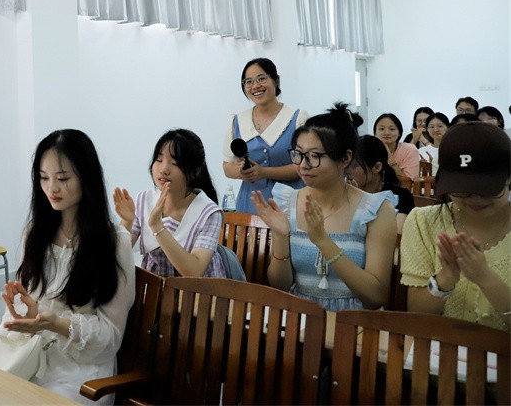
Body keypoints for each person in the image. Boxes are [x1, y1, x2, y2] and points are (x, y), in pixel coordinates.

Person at [0, 130, 135, 404]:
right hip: (33, 355)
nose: (52, 188)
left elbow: (111, 336)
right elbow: (29, 304)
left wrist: (59, 325)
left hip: (83, 371)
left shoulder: (114, 242)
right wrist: (25, 314)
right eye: (44, 178)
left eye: (62, 178)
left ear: (87, 177)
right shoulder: (35, 233)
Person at [251, 103, 397, 311]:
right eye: (298, 154)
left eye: (315, 156)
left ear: (345, 158)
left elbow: (375, 297)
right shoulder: (288, 202)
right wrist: (281, 237)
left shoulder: (376, 210)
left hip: (353, 322)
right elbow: (280, 286)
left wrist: (323, 242)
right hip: (300, 319)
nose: (303, 165)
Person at [401, 122, 510, 330]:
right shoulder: (423, 221)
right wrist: (445, 279)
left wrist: (486, 279)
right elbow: (417, 316)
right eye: (462, 189)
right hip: (441, 348)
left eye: (488, 188)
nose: (475, 198)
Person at [113, 129, 225, 278]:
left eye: (175, 163)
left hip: (198, 291)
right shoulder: (143, 200)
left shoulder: (209, 213)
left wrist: (157, 226)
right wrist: (127, 222)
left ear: (194, 171)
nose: (164, 170)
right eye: (159, 160)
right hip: (156, 289)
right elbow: (114, 258)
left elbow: (194, 272)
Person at [223, 58, 309, 214]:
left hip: (289, 206)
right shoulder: (237, 121)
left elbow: (306, 165)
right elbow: (227, 166)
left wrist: (264, 172)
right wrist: (238, 171)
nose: (255, 86)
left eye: (261, 79)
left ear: (276, 80)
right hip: (249, 206)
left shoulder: (297, 118)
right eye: (248, 82)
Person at [347, 135, 416, 233]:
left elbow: (397, 234)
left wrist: (359, 202)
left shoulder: (400, 197)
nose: (347, 171)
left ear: (377, 167)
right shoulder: (343, 194)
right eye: (345, 164)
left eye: (353, 166)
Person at [373, 113, 421, 179]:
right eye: (381, 129)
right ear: (375, 133)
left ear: (399, 133)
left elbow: (409, 182)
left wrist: (391, 161)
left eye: (392, 129)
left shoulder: (409, 150)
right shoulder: (368, 149)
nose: (387, 133)